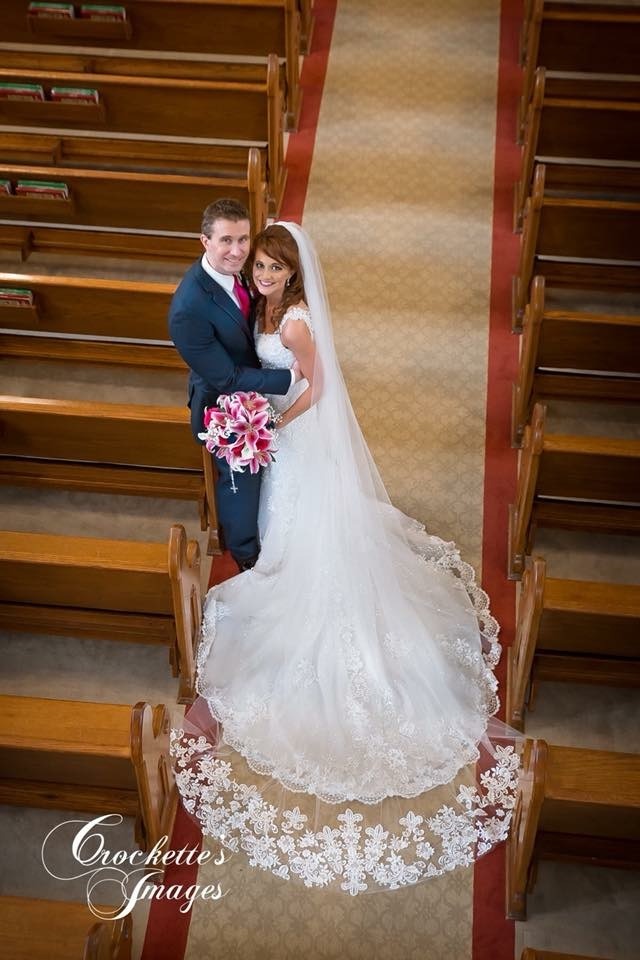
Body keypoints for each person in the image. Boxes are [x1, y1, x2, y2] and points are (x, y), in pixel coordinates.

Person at [172, 222, 521, 895]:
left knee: (306, 530)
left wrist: (276, 424)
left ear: (293, 272)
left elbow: (318, 389)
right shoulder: (257, 300)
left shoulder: (296, 322)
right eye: (260, 267)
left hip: (297, 433)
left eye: (275, 268)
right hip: (276, 427)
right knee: (281, 521)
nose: (264, 276)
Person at [168, 199, 297, 571]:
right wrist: (289, 376)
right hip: (225, 407)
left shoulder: (241, 270)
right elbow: (225, 378)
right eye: (226, 240)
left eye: (243, 239)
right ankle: (246, 556)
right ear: (205, 241)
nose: (237, 251)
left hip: (257, 383)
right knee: (242, 482)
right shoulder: (188, 308)